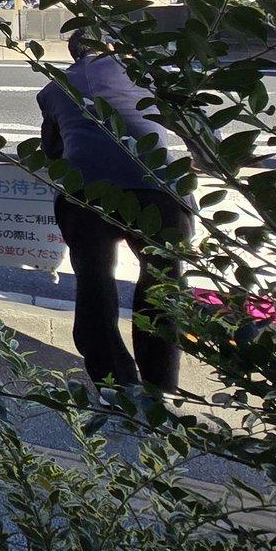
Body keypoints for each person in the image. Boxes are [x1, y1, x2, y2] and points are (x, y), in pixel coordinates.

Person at [38, 31, 192, 394]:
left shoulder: (54, 88)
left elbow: (52, 151)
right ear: (113, 46)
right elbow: (191, 126)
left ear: (74, 55)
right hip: (157, 188)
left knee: (95, 281)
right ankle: (161, 381)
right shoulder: (146, 73)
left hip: (87, 195)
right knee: (162, 280)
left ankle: (114, 380)